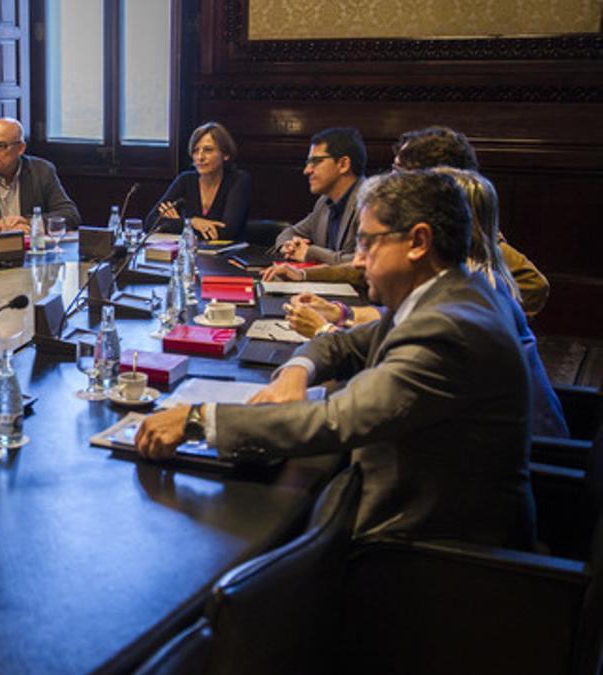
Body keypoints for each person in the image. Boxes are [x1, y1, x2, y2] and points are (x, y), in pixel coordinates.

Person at [137, 169, 536, 549]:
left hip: (431, 554)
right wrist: (296, 369)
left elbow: (335, 419)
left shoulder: (448, 328)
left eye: (367, 243)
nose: (358, 261)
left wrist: (197, 419)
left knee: (228, 548)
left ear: (418, 241)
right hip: (412, 513)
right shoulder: (446, 292)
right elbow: (346, 345)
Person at [283, 168, 569, 437]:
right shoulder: (464, 282)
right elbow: (374, 333)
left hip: (537, 459)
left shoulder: (461, 314)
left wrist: (324, 329)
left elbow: (360, 404)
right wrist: (306, 359)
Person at [263, 125, 550, 317]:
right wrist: (305, 275)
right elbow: (361, 268)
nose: (390, 179)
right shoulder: (418, 223)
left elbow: (534, 284)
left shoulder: (468, 231)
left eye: (400, 171)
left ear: (435, 179)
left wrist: (479, 312)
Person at [272, 127, 367, 264]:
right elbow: (289, 233)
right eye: (308, 163)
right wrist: (290, 246)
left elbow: (365, 262)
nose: (307, 170)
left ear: (343, 164)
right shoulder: (324, 202)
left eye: (315, 162)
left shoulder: (372, 203)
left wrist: (311, 252)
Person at [143, 122, 251, 240]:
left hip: (228, 256)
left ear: (225, 154)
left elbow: (227, 232)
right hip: (192, 254)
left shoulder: (238, 180)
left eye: (208, 150)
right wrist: (192, 222)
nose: (200, 157)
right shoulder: (185, 180)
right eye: (195, 151)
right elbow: (150, 223)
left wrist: (177, 223)